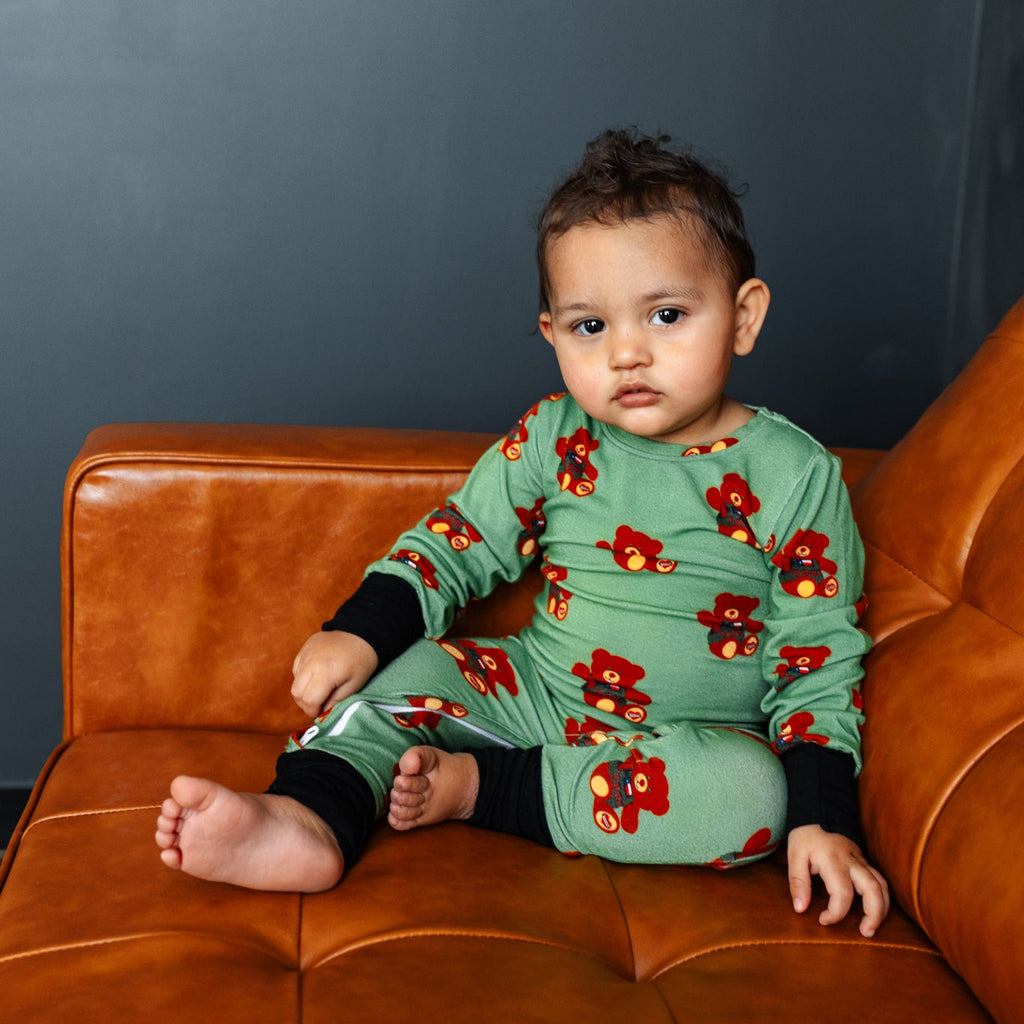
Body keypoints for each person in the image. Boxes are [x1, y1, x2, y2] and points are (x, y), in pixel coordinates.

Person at [156, 128, 890, 937]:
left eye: (668, 314)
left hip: (692, 743)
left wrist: (826, 819)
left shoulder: (794, 474)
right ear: (551, 335)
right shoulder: (554, 436)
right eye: (589, 327)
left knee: (754, 797)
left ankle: (482, 789)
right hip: (535, 693)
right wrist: (359, 634)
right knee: (409, 672)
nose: (627, 354)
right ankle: (305, 819)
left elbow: (816, 662)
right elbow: (458, 540)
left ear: (743, 317)